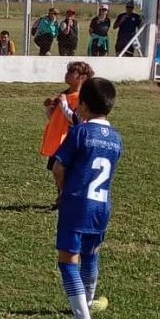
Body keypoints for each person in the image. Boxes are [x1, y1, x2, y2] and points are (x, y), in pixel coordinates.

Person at [52, 77, 122, 319]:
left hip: (77, 203)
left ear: (81, 105)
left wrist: (62, 191)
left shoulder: (80, 131)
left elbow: (59, 166)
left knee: (68, 260)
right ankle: (88, 302)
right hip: (102, 206)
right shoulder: (116, 138)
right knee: (91, 254)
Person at [40, 61, 94, 208]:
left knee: (65, 170)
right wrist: (50, 107)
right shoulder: (64, 94)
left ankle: (67, 198)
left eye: (72, 72)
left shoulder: (81, 98)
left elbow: (76, 120)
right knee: (55, 169)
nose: (67, 74)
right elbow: (54, 118)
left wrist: (64, 104)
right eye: (68, 71)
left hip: (69, 139)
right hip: (57, 138)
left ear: (82, 77)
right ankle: (62, 196)